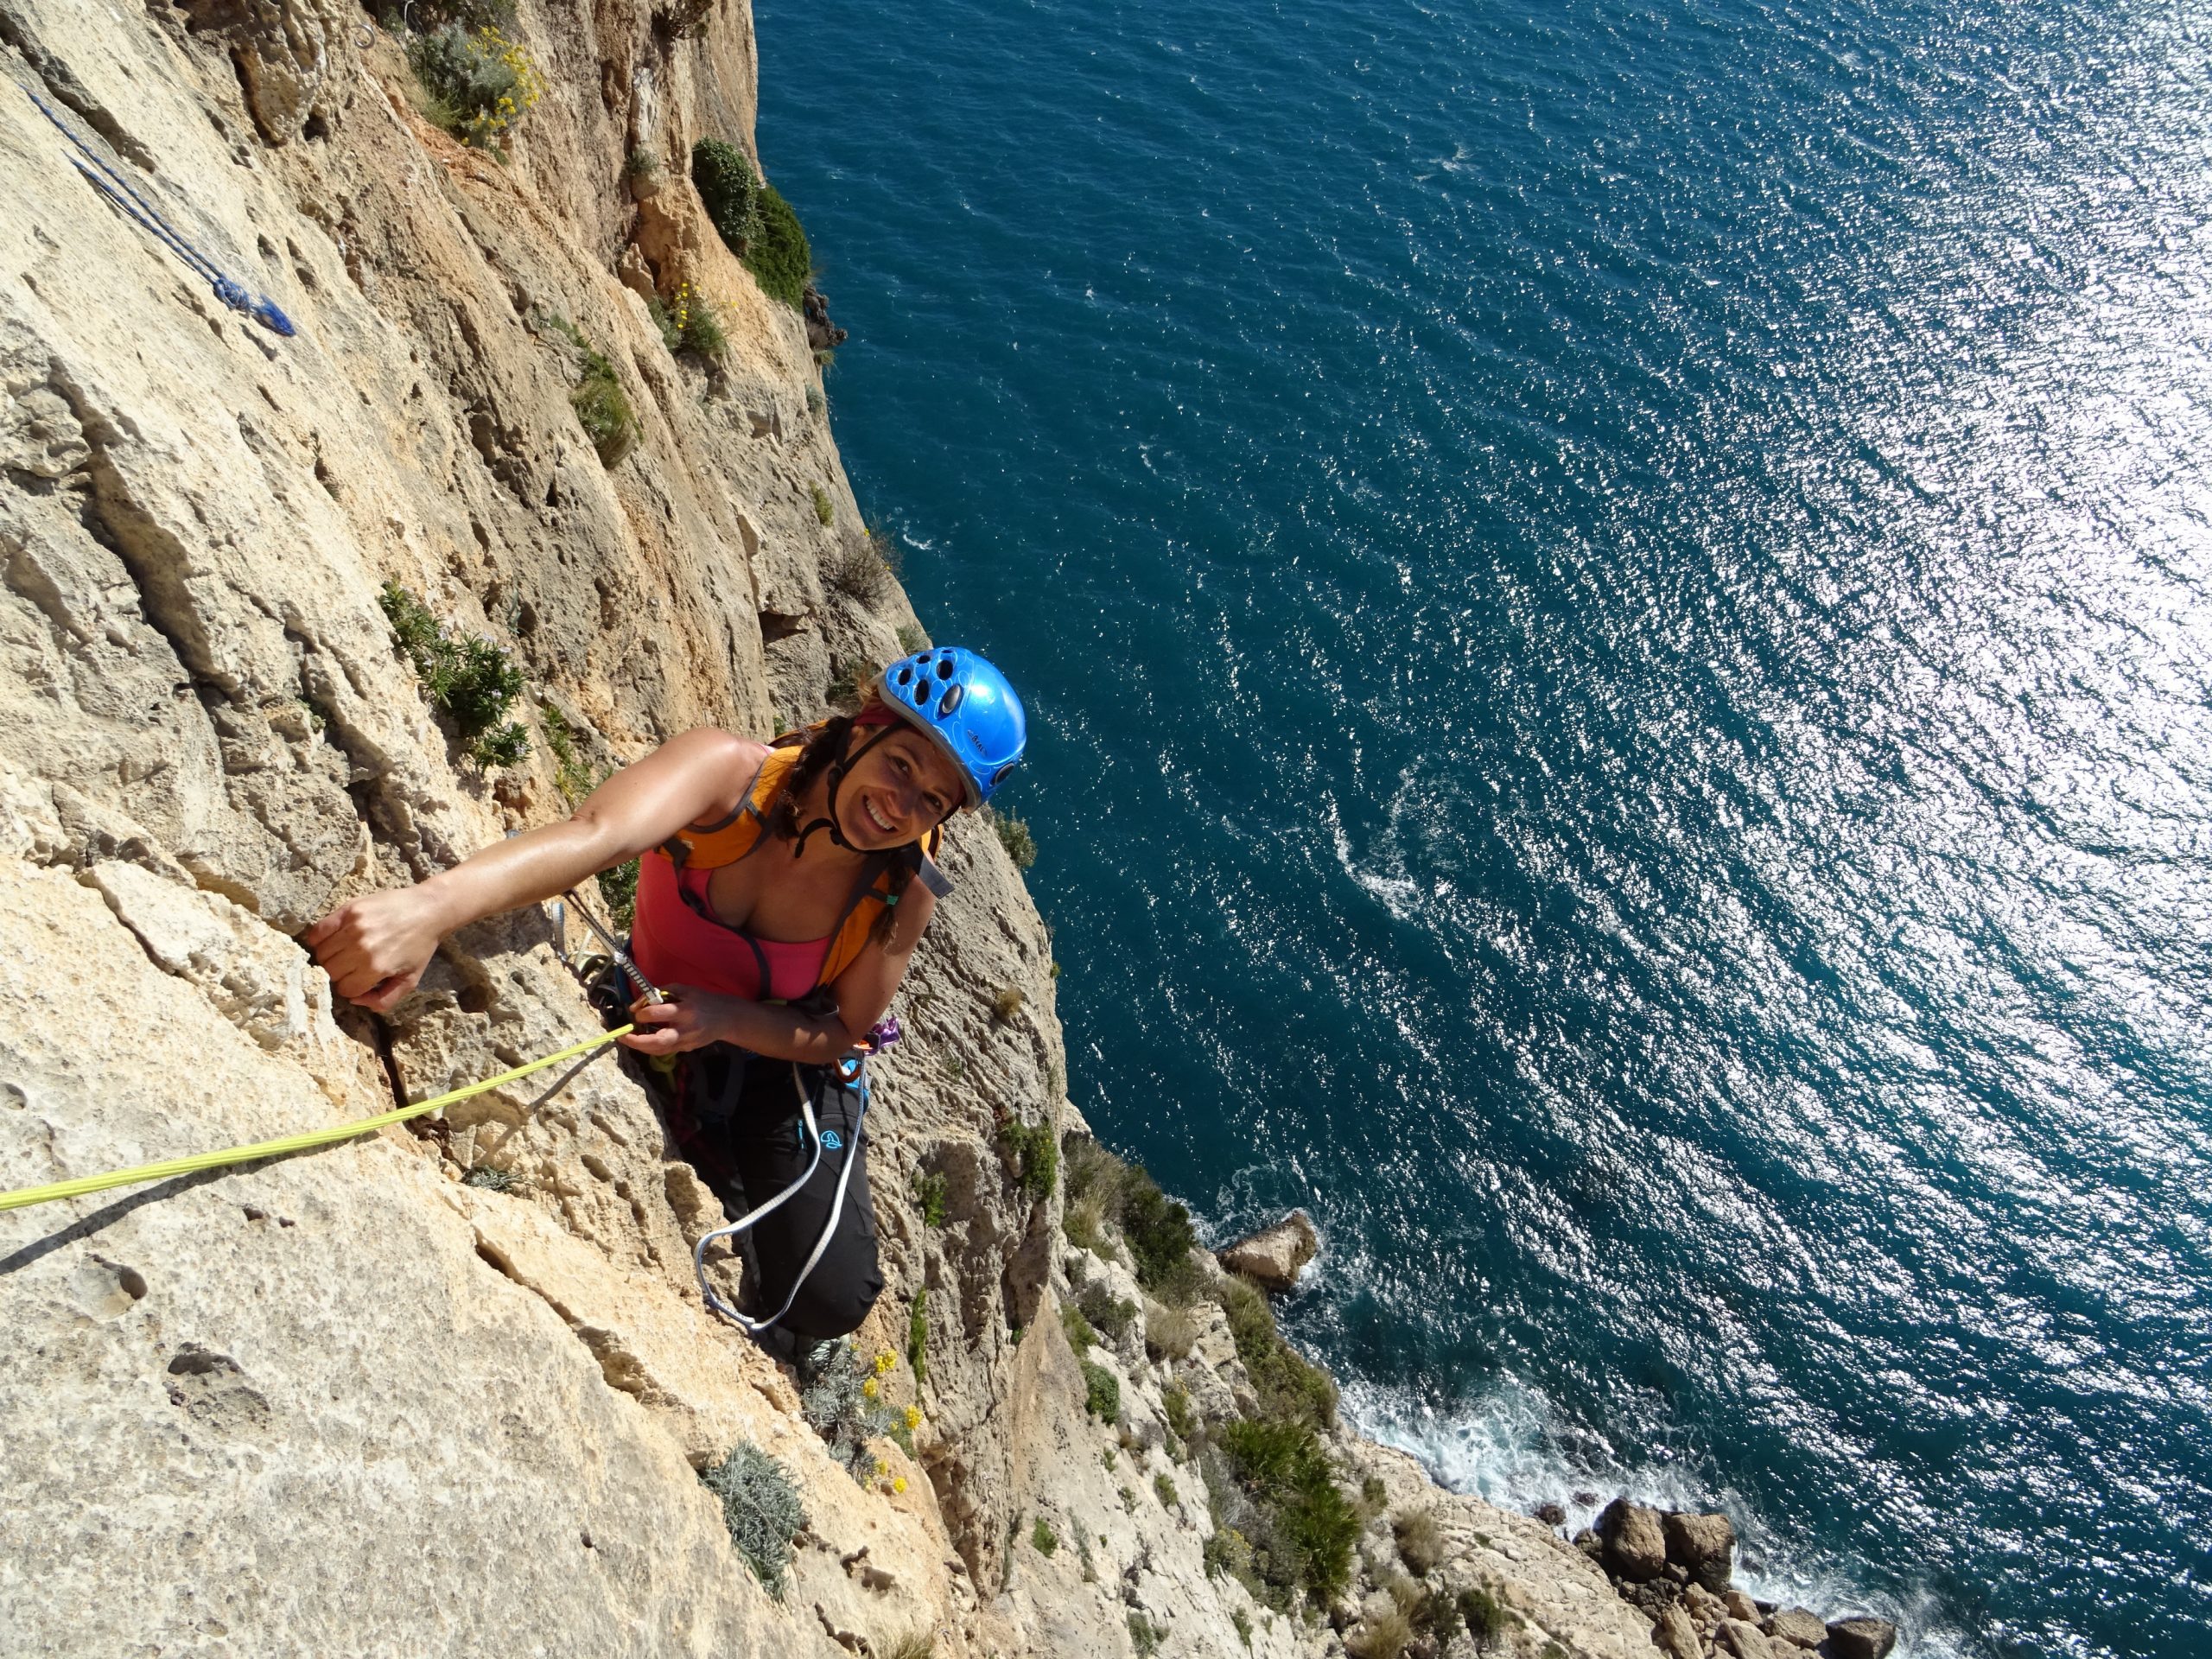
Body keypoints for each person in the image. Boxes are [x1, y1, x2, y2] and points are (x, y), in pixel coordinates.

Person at [304, 646, 1027, 1341]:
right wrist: (430, 909)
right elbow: (595, 835)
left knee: (828, 1297)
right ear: (862, 729)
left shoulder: (901, 889)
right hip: (671, 1010)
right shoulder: (729, 777)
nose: (898, 807)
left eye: (931, 800)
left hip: (781, 1058)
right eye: (900, 764)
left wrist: (726, 1019)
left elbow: (844, 1031)